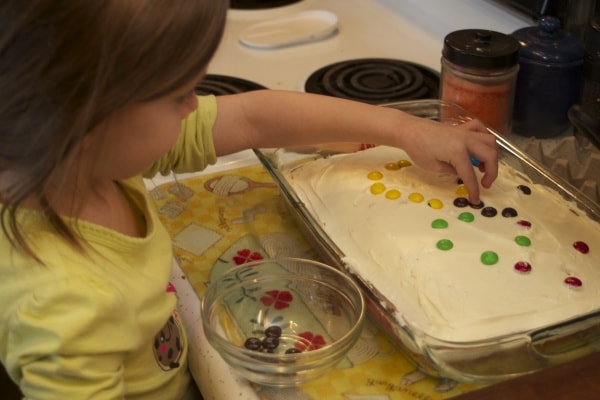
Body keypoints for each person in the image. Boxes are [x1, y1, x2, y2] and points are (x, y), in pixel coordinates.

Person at [0, 1, 498, 399]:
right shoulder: (64, 308)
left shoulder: (83, 163)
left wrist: (406, 130)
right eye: (178, 94)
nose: (195, 103)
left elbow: (250, 118)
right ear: (85, 122)